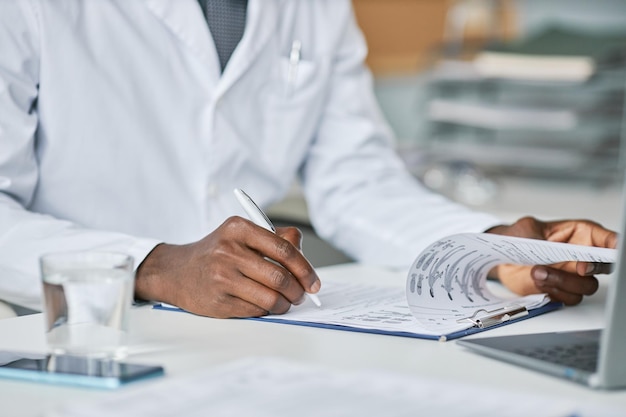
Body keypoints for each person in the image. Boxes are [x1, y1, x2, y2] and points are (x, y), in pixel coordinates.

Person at [0, 1, 616, 318]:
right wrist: (153, 266)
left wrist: (485, 248)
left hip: (249, 339)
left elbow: (355, 180)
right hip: (69, 332)